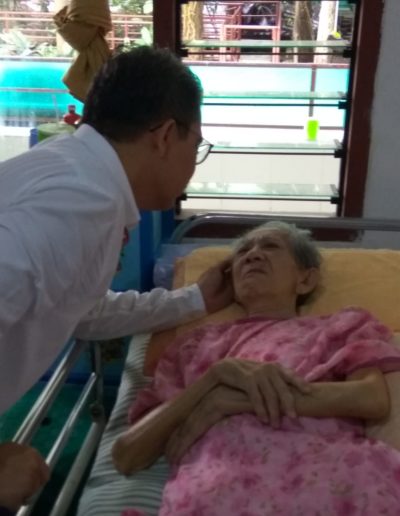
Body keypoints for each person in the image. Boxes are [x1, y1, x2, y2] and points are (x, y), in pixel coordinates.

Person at [0, 46, 232, 510]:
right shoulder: (79, 204)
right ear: (165, 136)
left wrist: (193, 300)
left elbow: (80, 309)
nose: (193, 164)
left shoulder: (75, 174)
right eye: (196, 146)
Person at [113, 222, 400, 515]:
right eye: (243, 253)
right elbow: (127, 454)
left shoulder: (340, 327)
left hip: (333, 477)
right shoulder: (194, 345)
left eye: (270, 246)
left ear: (305, 280)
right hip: (219, 489)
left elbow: (371, 398)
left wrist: (234, 400)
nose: (253, 255)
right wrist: (214, 379)